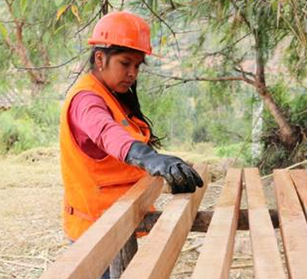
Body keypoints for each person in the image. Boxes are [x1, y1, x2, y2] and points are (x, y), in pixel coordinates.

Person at [59, 10, 204, 279]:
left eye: (137, 66)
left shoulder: (113, 96)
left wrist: (162, 166)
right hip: (95, 233)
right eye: (126, 63)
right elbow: (108, 133)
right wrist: (150, 158)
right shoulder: (86, 100)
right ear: (100, 58)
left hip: (118, 222)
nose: (133, 73)